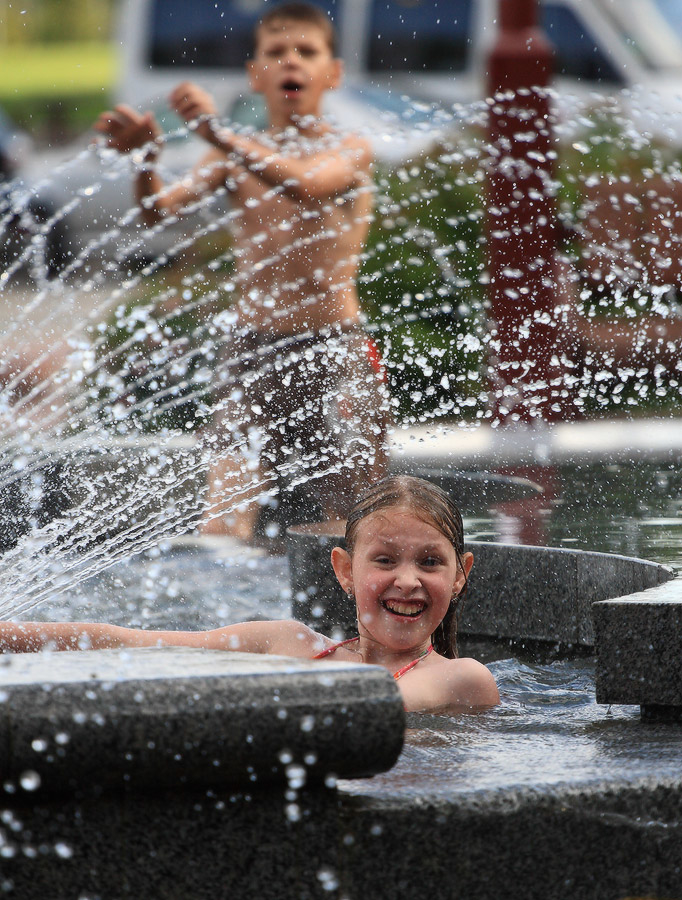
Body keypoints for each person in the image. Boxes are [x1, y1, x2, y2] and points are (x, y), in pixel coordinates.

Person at [93, 2, 390, 542]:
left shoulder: (349, 149)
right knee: (224, 517)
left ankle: (345, 619)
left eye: (307, 51)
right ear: (256, 75)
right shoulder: (232, 156)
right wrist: (145, 162)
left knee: (355, 519)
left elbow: (306, 185)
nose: (290, 62)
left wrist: (214, 131)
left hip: (335, 347)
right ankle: (226, 610)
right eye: (275, 53)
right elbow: (158, 212)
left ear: (334, 73)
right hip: (251, 348)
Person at [0, 476, 499, 714]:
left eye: (430, 562)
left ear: (461, 574)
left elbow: (366, 702)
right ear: (345, 571)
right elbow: (128, 641)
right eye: (385, 560)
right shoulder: (285, 643)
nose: (407, 580)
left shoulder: (463, 679)